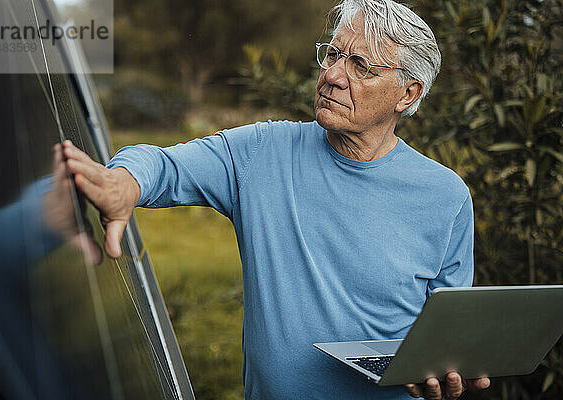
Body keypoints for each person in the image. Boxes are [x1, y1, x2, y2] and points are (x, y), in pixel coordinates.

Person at [63, 0, 491, 398]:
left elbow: (445, 337)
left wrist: (445, 371)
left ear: (407, 94)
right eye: (333, 54)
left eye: (361, 66)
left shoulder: (446, 196)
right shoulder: (262, 152)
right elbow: (164, 165)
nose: (334, 75)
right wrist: (122, 183)